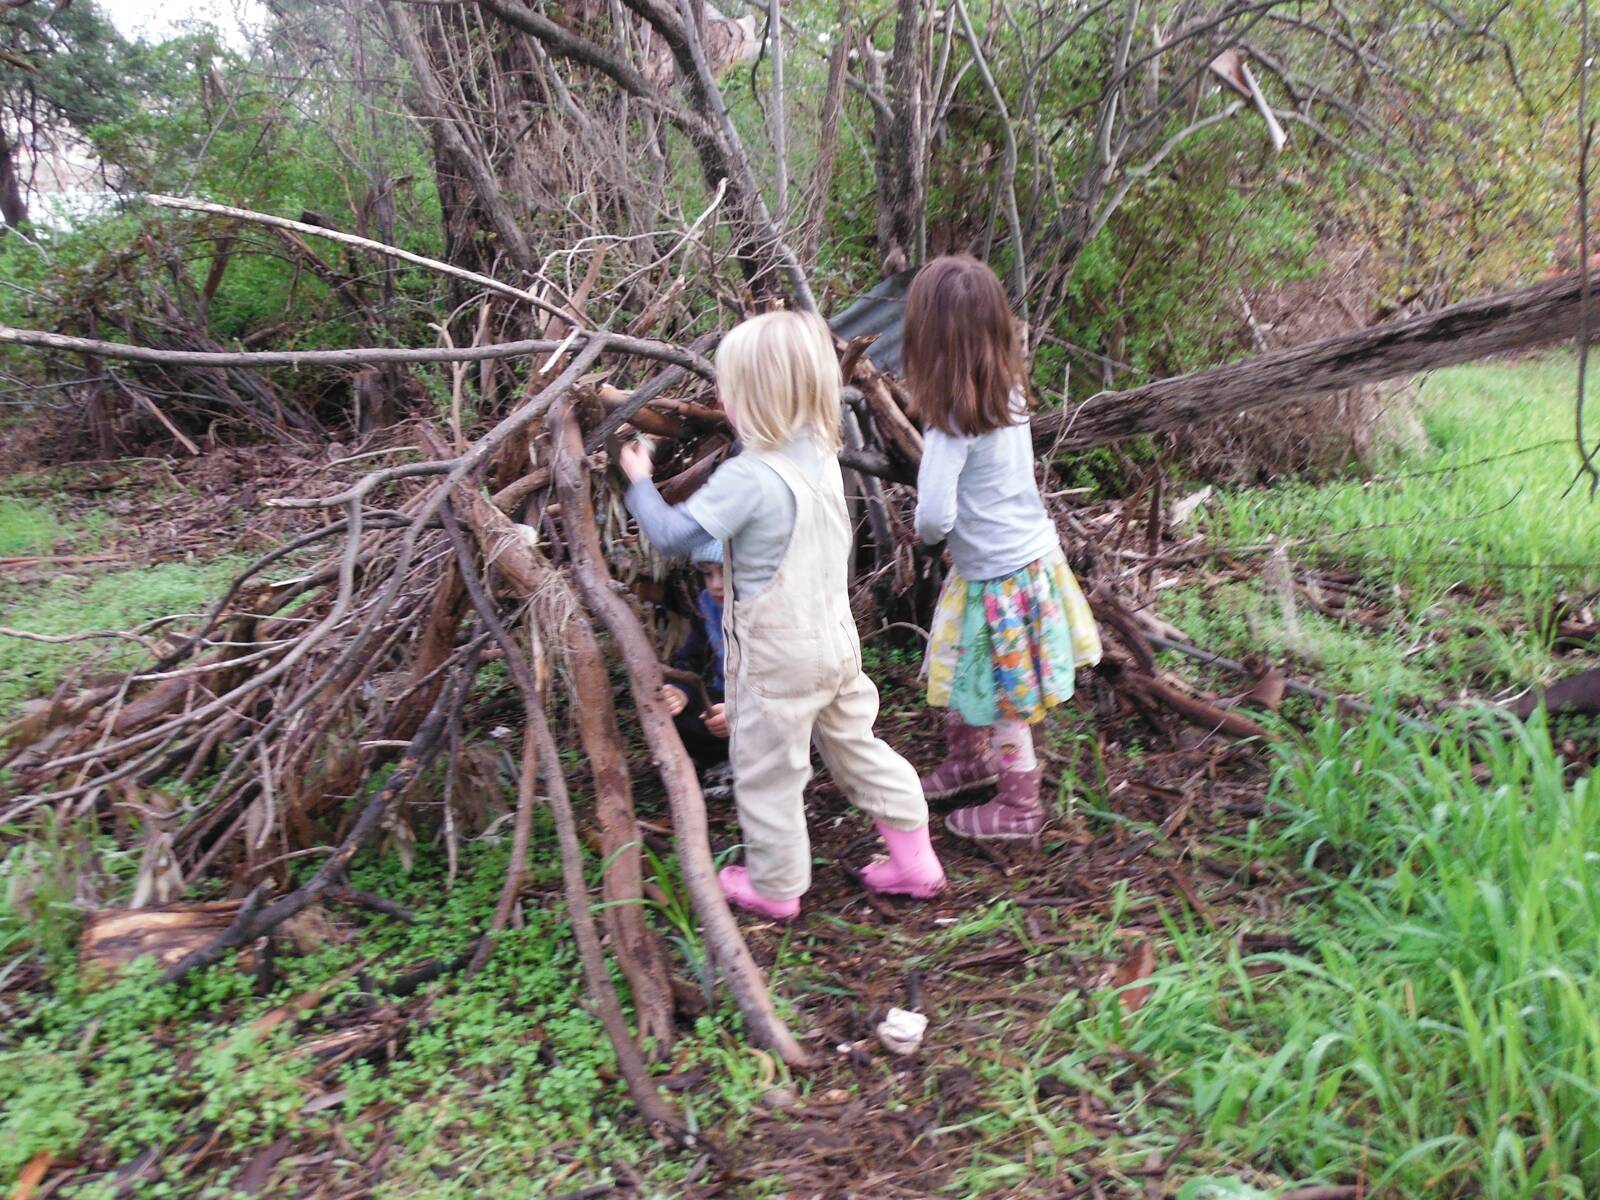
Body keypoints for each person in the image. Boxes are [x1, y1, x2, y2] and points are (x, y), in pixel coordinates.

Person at [619, 310, 946, 920]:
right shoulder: (822, 452)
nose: (720, 397)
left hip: (777, 659)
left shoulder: (749, 476)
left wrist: (638, 480)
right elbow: (774, 541)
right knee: (859, 748)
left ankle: (775, 887)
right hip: (837, 645)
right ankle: (916, 862)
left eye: (730, 388)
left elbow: (669, 536)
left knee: (769, 772)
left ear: (756, 398)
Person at [904, 254, 1103, 841]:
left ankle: (1020, 807)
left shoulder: (950, 425)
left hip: (996, 579)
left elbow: (934, 513)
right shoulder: (1008, 396)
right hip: (1027, 562)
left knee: (1006, 694)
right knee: (971, 666)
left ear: (927, 344)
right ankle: (970, 763)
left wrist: (928, 538)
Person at [659, 539, 735, 800]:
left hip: (768, 703)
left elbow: (786, 679)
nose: (715, 584)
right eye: (707, 573)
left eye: (725, 572)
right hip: (721, 695)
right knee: (675, 710)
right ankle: (719, 762)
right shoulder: (708, 605)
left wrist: (742, 712)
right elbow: (691, 660)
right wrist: (681, 691)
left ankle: (766, 769)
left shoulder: (770, 607)